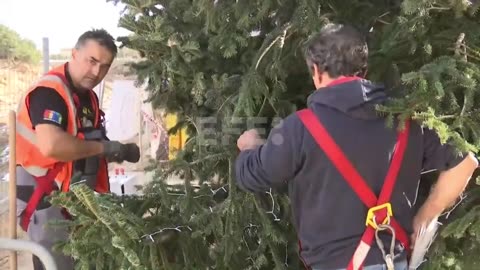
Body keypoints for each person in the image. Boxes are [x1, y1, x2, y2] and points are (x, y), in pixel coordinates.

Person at [235, 24, 478, 270]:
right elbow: (466, 162)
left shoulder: (301, 128)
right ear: (363, 69)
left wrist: (249, 147)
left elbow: (252, 176)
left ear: (317, 72)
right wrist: (425, 216)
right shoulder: (404, 118)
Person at [15, 29, 140, 270]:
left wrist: (118, 150)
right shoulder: (49, 92)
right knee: (56, 263)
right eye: (92, 61)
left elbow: (87, 140)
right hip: (43, 197)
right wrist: (104, 147)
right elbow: (53, 145)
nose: (96, 72)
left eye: (104, 66)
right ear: (74, 54)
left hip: (77, 196)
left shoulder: (88, 98)